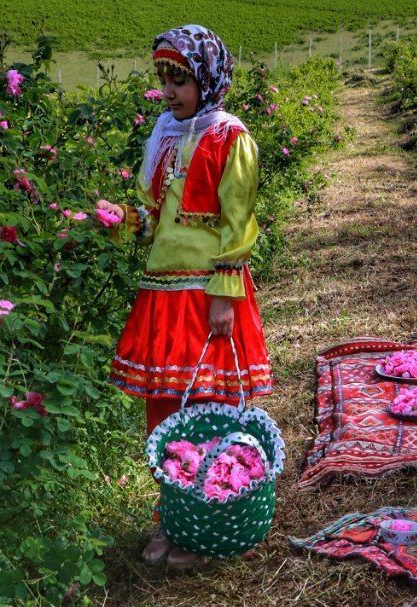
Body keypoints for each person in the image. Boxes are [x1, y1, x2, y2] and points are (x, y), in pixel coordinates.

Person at [99, 24, 272, 569]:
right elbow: (153, 217)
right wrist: (121, 220)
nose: (170, 91)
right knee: (165, 411)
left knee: (207, 408)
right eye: (164, 79)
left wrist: (225, 293)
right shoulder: (165, 136)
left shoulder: (229, 137)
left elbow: (238, 222)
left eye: (180, 80)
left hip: (207, 292)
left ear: (207, 78)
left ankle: (209, 522)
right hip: (163, 290)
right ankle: (173, 518)